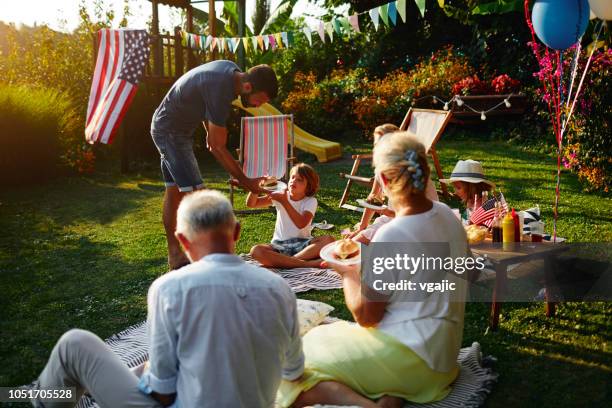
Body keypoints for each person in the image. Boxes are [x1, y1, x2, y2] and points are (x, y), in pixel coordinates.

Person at [31, 190, 304, 408]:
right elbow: (293, 372)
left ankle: (35, 399)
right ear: (237, 232)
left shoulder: (169, 289)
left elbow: (162, 393)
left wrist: (152, 375)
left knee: (75, 344)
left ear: (182, 241)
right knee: (143, 369)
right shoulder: (279, 288)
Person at [276, 132, 469, 408]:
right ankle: (390, 391)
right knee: (322, 335)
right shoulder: (450, 218)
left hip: (411, 360)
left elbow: (367, 316)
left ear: (385, 180)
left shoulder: (392, 235)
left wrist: (347, 272)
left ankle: (372, 402)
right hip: (444, 360)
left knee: (292, 365)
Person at [151, 60, 278, 269]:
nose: (258, 106)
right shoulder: (221, 88)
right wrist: (246, 182)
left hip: (169, 128)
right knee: (199, 198)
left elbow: (202, 101)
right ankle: (209, 262)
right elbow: (217, 147)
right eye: (260, 100)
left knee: (174, 192)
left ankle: (175, 256)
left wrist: (239, 175)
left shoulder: (229, 72)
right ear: (248, 87)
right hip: (171, 133)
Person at [347, 124, 438, 245]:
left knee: (368, 253)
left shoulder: (412, 173)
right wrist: (362, 226)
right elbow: (373, 196)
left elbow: (421, 216)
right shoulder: (381, 170)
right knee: (352, 245)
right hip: (391, 218)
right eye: (376, 144)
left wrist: (391, 214)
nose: (376, 149)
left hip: (418, 224)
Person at [248, 163, 334, 268]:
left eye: (300, 180)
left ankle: (288, 262)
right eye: (292, 177)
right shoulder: (281, 195)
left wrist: (284, 202)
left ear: (309, 186)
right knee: (256, 251)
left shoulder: (310, 201)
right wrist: (256, 189)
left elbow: (301, 224)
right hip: (279, 245)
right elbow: (252, 204)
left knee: (329, 240)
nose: (294, 181)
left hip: (303, 245)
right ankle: (306, 264)